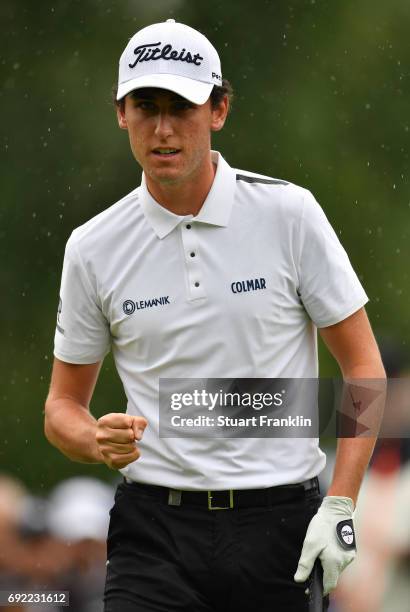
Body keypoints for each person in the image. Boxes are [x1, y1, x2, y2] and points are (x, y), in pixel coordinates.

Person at [44, 18, 386, 612]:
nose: (164, 128)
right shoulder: (93, 246)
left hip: (281, 528)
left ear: (219, 110)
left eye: (183, 106)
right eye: (145, 106)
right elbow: (60, 409)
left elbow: (363, 366)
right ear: (121, 113)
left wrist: (342, 504)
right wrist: (95, 440)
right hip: (153, 532)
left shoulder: (289, 214)